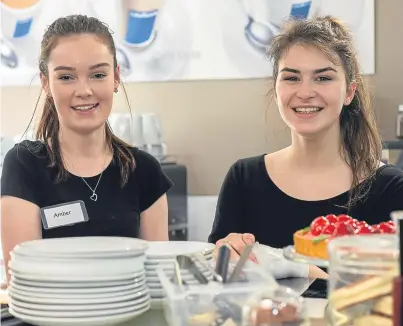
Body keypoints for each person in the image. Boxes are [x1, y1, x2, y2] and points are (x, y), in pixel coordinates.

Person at [208, 16, 403, 279]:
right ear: (276, 90)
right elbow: (219, 286)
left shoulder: (391, 188)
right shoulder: (243, 178)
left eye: (323, 78)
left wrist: (300, 269)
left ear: (349, 92)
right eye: (291, 78)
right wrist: (225, 256)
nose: (305, 92)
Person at [1, 15, 173, 279]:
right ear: (46, 83)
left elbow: (157, 277)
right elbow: (24, 280)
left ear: (115, 78)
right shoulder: (24, 165)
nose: (84, 90)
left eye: (98, 74)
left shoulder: (144, 170)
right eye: (67, 77)